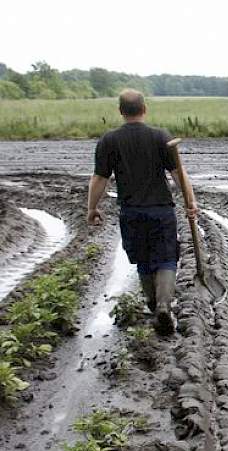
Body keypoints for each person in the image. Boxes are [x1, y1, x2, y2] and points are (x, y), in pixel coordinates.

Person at [86, 89, 198, 335]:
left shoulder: (109, 140)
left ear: (120, 111)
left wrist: (92, 207)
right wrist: (191, 202)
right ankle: (164, 305)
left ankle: (152, 304)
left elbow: (99, 179)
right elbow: (179, 174)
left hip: (131, 212)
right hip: (161, 210)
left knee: (143, 259)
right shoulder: (161, 137)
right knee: (167, 258)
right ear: (144, 109)